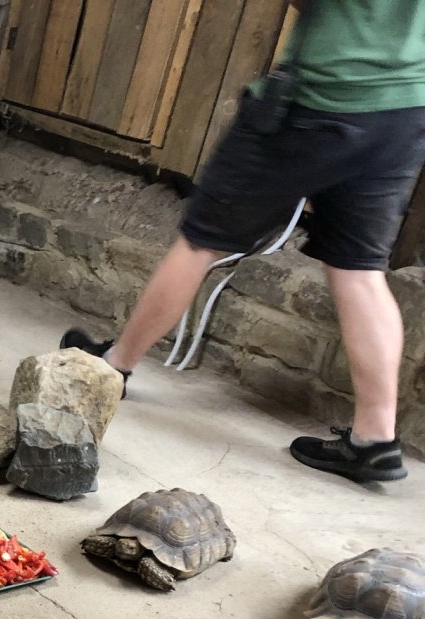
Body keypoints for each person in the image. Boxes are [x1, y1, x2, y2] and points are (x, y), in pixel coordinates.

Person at [61, 0, 425, 483]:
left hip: (319, 95)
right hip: (403, 109)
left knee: (200, 240)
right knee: (360, 267)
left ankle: (114, 368)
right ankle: (375, 440)